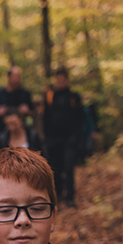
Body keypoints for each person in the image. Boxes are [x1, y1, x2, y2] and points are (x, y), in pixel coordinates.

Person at [43, 67, 85, 206]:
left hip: (70, 139)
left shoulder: (73, 97)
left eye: (62, 79)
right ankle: (58, 195)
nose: (60, 82)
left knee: (68, 167)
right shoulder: (50, 96)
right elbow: (45, 118)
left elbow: (80, 118)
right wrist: (47, 138)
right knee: (55, 168)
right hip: (53, 140)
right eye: (58, 79)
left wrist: (78, 139)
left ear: (67, 80)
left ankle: (70, 197)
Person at [0, 65, 34, 149]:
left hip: (24, 137)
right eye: (15, 76)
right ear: (8, 77)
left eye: (19, 77)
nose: (17, 79)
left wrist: (27, 111)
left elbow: (33, 114)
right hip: (3, 136)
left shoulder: (25, 94)